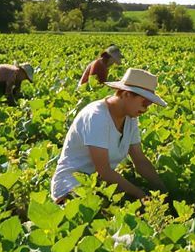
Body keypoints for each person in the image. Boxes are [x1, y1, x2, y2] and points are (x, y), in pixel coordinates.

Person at [51, 68, 168, 202]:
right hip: (71, 186)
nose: (146, 108)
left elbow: (140, 160)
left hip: (101, 186)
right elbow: (104, 171)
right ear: (126, 94)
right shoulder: (97, 116)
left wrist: (164, 191)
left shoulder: (130, 118)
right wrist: (141, 195)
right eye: (145, 102)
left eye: (150, 104)